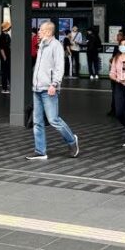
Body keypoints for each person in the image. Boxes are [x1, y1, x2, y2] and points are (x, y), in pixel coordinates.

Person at [26, 21, 80, 161]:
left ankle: (72, 141)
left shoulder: (55, 45)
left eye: (41, 30)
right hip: (37, 88)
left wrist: (54, 84)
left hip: (49, 88)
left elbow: (59, 67)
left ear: (49, 32)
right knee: (37, 122)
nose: (38, 32)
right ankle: (40, 151)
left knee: (54, 120)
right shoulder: (42, 44)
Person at [0, 22, 12, 94]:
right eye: (9, 27)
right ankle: (4, 89)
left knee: (9, 72)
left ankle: (9, 87)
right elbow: (1, 48)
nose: (10, 28)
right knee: (5, 73)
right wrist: (5, 58)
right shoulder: (2, 36)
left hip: (8, 57)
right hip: (5, 58)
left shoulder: (7, 35)